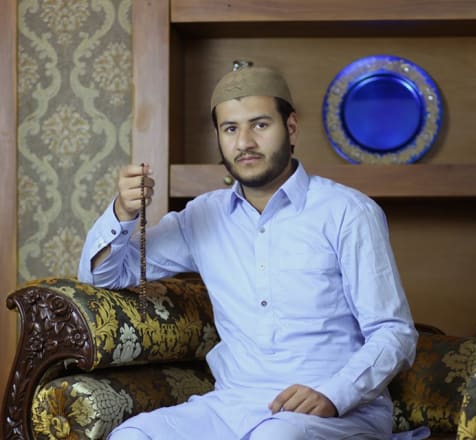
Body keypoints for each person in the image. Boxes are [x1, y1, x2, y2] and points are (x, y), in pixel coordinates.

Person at [78, 64, 423, 440]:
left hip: (339, 411)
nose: (244, 142)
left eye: (260, 125)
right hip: (233, 405)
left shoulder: (348, 212)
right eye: (230, 129)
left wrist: (334, 394)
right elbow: (105, 276)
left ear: (291, 128)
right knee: (132, 436)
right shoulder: (202, 215)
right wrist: (123, 213)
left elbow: (394, 332)